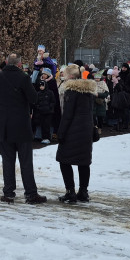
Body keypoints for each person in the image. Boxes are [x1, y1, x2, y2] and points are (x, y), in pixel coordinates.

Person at [0, 53, 47, 204]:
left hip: (4, 124)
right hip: (21, 124)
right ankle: (31, 194)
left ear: (6, 62)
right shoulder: (24, 78)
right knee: (26, 161)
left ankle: (8, 193)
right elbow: (33, 98)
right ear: (20, 64)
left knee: (7, 161)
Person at [56, 64, 95, 204]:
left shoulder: (71, 91)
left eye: (65, 74)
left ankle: (70, 192)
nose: (63, 76)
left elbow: (67, 115)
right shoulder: (88, 91)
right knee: (84, 162)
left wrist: (61, 133)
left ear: (71, 76)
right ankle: (83, 192)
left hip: (72, 131)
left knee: (63, 160)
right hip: (86, 131)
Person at [34, 68, 56, 143]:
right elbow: (36, 101)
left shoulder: (51, 86)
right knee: (42, 124)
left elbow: (53, 100)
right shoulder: (39, 91)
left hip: (48, 111)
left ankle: (48, 137)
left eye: (45, 74)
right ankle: (41, 137)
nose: (43, 75)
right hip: (41, 111)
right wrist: (38, 107)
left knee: (47, 125)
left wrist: (50, 107)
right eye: (43, 74)